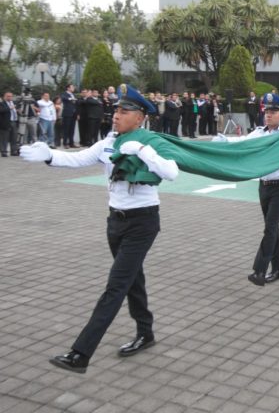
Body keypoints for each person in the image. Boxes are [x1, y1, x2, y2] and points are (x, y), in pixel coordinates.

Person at [20, 84, 179, 374]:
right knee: (133, 279)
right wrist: (49, 155)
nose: (116, 115)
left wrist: (143, 151)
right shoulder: (108, 143)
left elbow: (171, 172)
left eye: (124, 111)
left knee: (116, 285)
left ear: (140, 116)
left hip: (143, 222)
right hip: (115, 221)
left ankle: (80, 354)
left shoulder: (151, 141)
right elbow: (78, 158)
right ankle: (146, 332)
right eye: (116, 109)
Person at [213, 93, 279, 285]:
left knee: (270, 228)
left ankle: (259, 270)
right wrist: (225, 142)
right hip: (264, 186)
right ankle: (278, 269)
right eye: (267, 111)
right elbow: (243, 143)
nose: (268, 115)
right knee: (272, 229)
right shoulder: (259, 133)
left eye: (273, 111)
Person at [0, 91, 19, 157]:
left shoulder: (13, 103)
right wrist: (10, 108)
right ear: (4, 97)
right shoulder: (2, 103)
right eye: (8, 96)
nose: (9, 97)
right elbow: (1, 110)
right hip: (6, 122)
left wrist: (18, 111)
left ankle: (13, 151)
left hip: (14, 121)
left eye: (11, 96)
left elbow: (14, 111)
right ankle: (4, 151)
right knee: (4, 138)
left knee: (14, 137)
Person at [61, 84, 78, 148]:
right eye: (72, 87)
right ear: (68, 88)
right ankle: (65, 143)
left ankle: (71, 143)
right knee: (66, 129)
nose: (73, 88)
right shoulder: (65, 94)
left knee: (72, 129)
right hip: (67, 114)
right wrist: (70, 99)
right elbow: (63, 98)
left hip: (73, 114)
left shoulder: (73, 95)